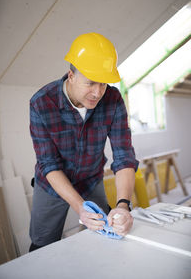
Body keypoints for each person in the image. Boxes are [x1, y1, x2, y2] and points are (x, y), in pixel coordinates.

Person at [29, 32, 139, 251]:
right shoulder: (41, 103)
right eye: (90, 83)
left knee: (105, 234)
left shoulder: (114, 100)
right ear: (71, 75)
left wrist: (123, 205)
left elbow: (124, 156)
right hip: (51, 185)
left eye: (103, 84)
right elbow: (49, 164)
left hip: (91, 179)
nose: (97, 92)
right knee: (42, 244)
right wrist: (80, 207)